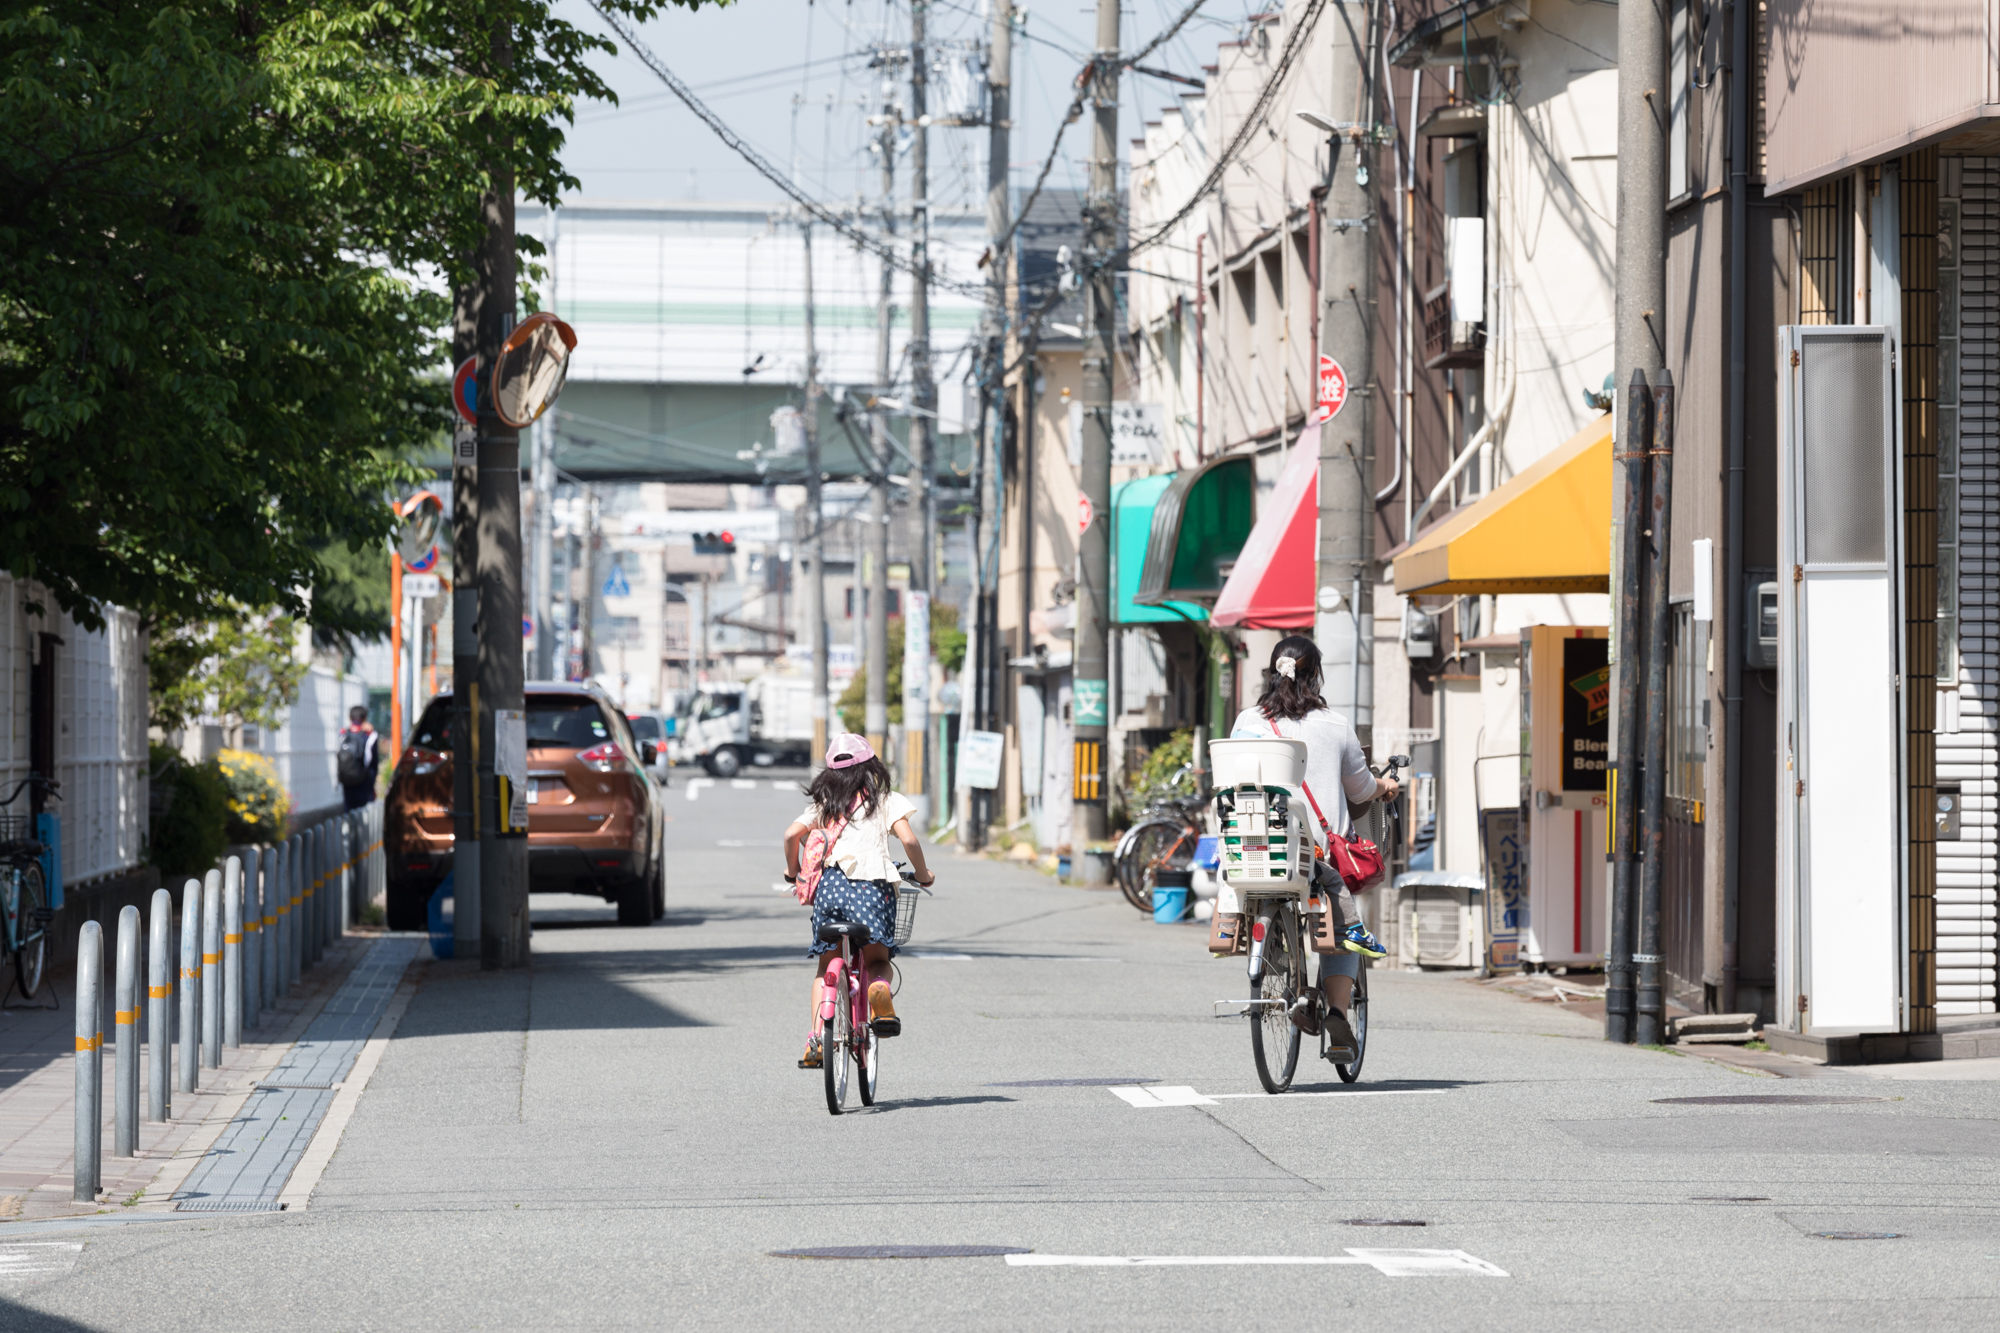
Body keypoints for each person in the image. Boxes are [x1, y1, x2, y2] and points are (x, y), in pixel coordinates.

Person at [1229, 635, 1399, 1053]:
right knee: (1339, 927)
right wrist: (1385, 786)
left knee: (1276, 893)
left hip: (1256, 848)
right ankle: (1339, 1015)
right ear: (1316, 676)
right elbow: (1359, 790)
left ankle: (1285, 970)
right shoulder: (1334, 725)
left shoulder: (1246, 721)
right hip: (1316, 852)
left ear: (1273, 672)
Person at [782, 735, 935, 1069]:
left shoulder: (825, 805)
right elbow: (908, 838)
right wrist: (923, 875)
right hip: (872, 891)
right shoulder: (885, 800)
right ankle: (878, 989)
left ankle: (814, 1040)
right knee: (878, 960)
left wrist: (794, 873)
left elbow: (791, 835)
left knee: (826, 967)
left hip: (830, 891)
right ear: (871, 767)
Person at [337, 705, 381, 811]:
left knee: (348, 812)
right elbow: (374, 762)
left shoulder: (343, 734)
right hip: (364, 781)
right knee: (364, 813)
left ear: (350, 718)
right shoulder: (370, 735)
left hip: (347, 780)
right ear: (365, 718)